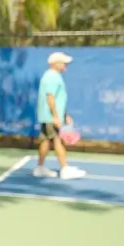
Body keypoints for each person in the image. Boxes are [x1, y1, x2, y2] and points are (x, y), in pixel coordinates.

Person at [33, 51, 85, 179]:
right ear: (55, 64)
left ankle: (40, 168)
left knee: (45, 140)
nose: (66, 64)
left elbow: (57, 99)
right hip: (51, 117)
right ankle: (65, 169)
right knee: (58, 140)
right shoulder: (51, 77)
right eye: (64, 62)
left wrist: (64, 114)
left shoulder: (53, 75)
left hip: (49, 116)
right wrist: (56, 116)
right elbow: (50, 97)